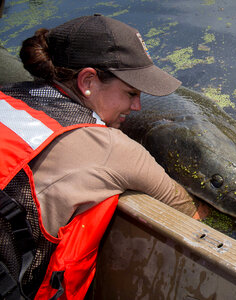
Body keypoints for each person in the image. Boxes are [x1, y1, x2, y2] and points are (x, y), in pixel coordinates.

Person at [0, 14, 207, 299]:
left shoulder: (7, 95)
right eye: (130, 92)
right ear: (87, 81)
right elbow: (188, 212)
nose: (137, 106)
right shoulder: (111, 147)